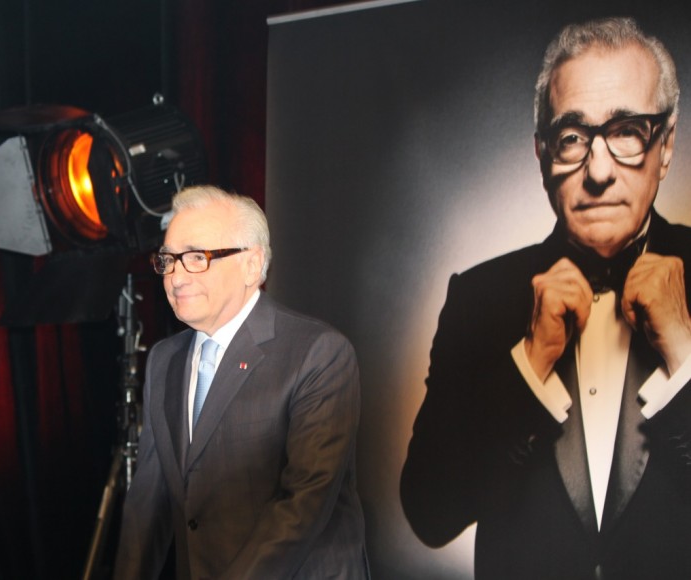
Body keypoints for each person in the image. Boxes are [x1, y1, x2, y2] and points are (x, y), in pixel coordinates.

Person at [400, 16, 691, 579]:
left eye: (627, 132)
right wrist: (530, 366)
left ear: (666, 145)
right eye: (572, 137)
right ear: (541, 155)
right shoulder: (479, 298)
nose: (599, 171)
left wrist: (684, 358)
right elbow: (430, 513)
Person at [113, 185, 370, 579]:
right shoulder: (164, 360)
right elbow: (148, 505)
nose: (176, 277)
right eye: (168, 260)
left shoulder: (317, 353)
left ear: (252, 264)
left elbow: (303, 504)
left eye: (196, 257)